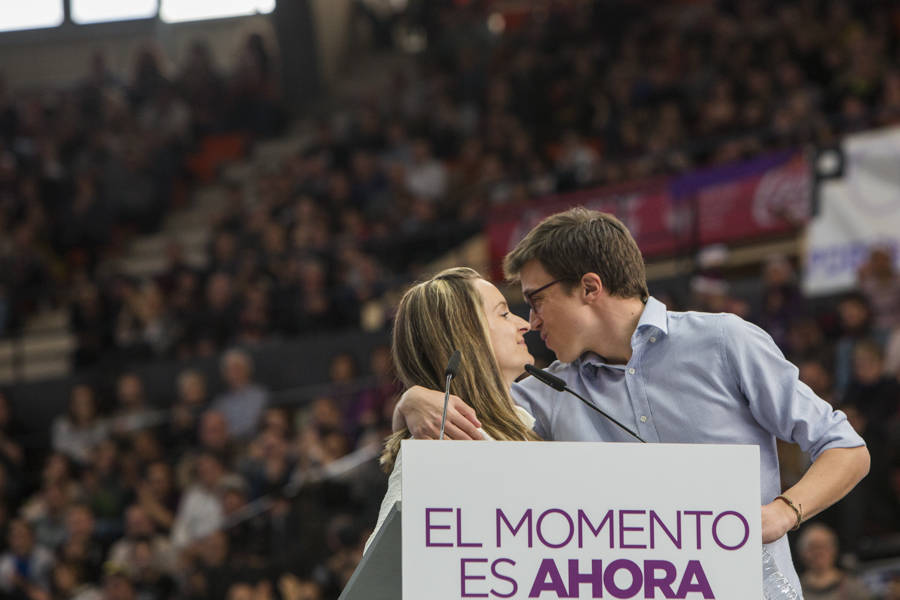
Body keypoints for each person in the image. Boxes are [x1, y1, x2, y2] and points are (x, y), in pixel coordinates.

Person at [394, 207, 869, 592]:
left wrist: (783, 513)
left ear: (590, 288)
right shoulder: (543, 393)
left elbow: (846, 447)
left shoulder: (724, 341)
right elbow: (477, 418)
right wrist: (411, 399)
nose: (531, 322)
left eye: (536, 300)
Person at [365, 267, 540, 552]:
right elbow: (384, 567)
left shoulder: (528, 421)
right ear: (465, 335)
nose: (524, 324)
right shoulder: (439, 443)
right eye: (504, 313)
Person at [797, 523, 872, 599]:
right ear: (802, 552)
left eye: (824, 546)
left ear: (834, 550)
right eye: (813, 547)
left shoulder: (853, 587)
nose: (819, 552)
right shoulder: (794, 588)